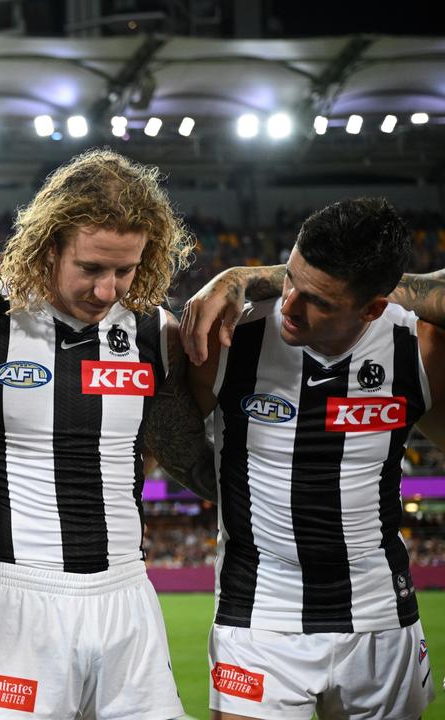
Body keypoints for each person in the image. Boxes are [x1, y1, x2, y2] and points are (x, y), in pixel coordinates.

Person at [0, 148, 208, 719]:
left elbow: (168, 450)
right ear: (49, 244)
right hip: (20, 597)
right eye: (91, 268)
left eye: (125, 270)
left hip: (127, 590)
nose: (107, 290)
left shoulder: (156, 332)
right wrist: (6, 512)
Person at [179, 198, 442, 719]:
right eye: (289, 279)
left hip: (379, 616)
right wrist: (244, 278)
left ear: (372, 306)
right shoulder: (232, 336)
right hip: (258, 611)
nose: (290, 305)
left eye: (317, 299)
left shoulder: (419, 345)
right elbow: (166, 436)